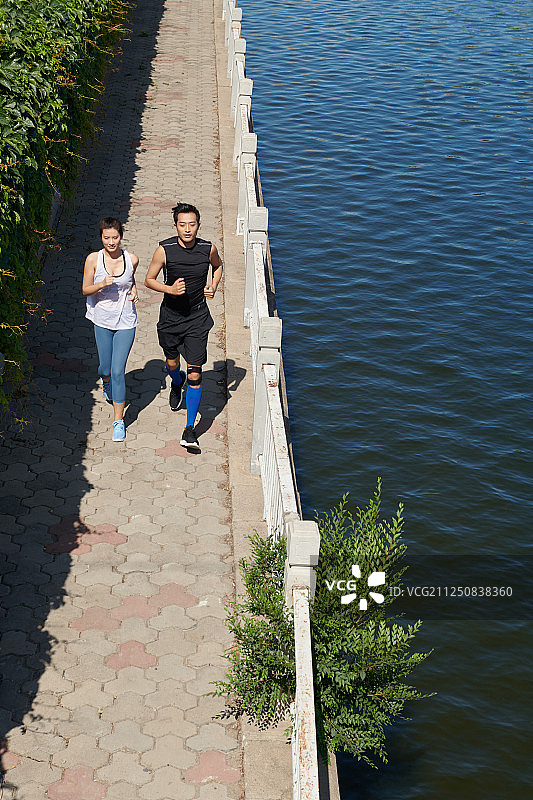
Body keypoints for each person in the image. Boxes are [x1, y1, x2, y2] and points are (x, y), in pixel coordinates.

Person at [145, 202, 223, 450]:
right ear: (176, 226)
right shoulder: (164, 250)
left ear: (198, 225)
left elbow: (218, 266)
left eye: (192, 224)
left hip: (198, 318)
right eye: (182, 225)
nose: (187, 229)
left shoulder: (207, 248)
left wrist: (213, 285)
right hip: (170, 317)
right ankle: (176, 382)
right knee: (171, 363)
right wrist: (169, 289)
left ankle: (189, 430)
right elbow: (148, 279)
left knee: (196, 373)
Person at [83, 217, 139, 442]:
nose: (111, 242)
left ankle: (118, 421)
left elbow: (130, 281)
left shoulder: (132, 259)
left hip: (126, 320)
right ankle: (105, 382)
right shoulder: (93, 259)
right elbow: (86, 290)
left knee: (118, 370)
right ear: (101, 238)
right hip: (102, 320)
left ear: (121, 236)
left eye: (115, 237)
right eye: (106, 238)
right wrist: (101, 285)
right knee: (105, 369)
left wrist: (135, 291)